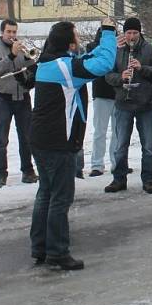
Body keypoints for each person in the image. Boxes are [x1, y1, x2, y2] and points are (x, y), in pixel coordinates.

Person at [29, 18, 116, 270]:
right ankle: (57, 252)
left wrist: (102, 41)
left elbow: (87, 58)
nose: (78, 39)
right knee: (60, 198)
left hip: (42, 140)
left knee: (45, 193)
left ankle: (41, 247)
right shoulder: (66, 68)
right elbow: (102, 64)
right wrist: (109, 32)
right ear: (69, 42)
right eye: (76, 36)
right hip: (58, 143)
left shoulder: (48, 63)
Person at [104, 17, 152, 194]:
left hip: (145, 104)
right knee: (121, 145)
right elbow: (108, 74)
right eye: (128, 33)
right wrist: (120, 77)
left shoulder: (149, 49)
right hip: (123, 103)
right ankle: (119, 178)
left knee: (148, 146)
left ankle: (149, 180)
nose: (131, 36)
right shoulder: (118, 50)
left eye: (134, 33)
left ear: (140, 33)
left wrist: (141, 68)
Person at [0, 19, 38, 188]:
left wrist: (30, 59)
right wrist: (11, 56)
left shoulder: (22, 50)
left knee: (27, 136)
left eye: (14, 32)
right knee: (1, 138)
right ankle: (1, 175)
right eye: (9, 32)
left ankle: (28, 171)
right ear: (2, 33)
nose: (12, 35)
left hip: (23, 97)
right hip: (3, 98)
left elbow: (33, 68)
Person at [86, 27, 118, 177]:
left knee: (117, 132)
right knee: (100, 131)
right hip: (100, 92)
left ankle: (117, 162)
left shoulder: (120, 46)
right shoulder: (93, 47)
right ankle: (97, 164)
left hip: (117, 92)